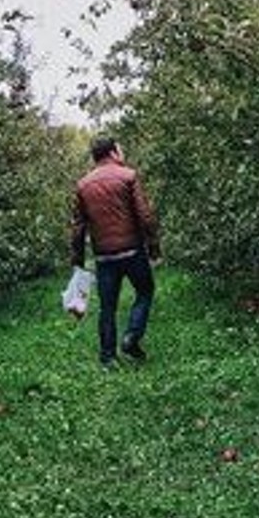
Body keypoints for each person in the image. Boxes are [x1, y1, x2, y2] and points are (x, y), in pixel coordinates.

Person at [70, 136, 161, 367]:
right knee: (145, 291)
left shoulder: (83, 185)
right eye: (119, 150)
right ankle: (131, 337)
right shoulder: (128, 176)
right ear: (112, 153)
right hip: (132, 250)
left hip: (104, 256)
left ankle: (108, 357)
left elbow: (78, 227)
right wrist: (153, 247)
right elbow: (145, 216)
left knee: (107, 307)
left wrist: (78, 260)